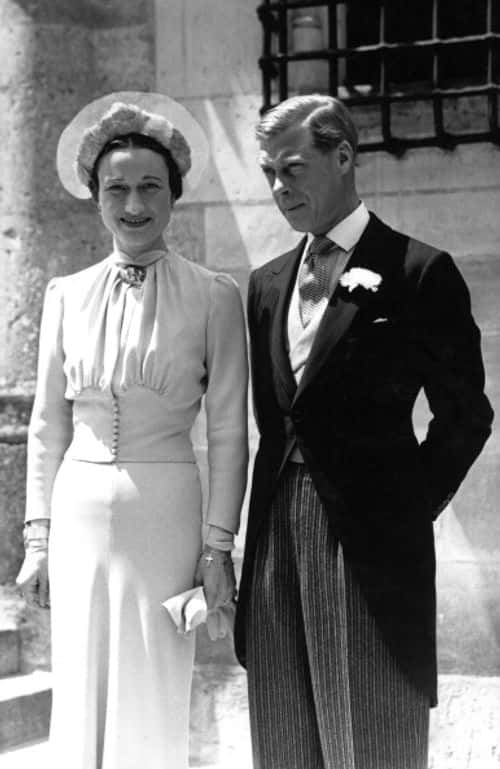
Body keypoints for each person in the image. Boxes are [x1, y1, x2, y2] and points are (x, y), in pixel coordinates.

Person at [234, 94, 494, 769]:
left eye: (293, 168)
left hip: (371, 541)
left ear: (343, 156)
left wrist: (405, 505)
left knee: (371, 737)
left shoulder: (417, 270)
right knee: (283, 736)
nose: (278, 187)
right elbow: (274, 416)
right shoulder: (265, 284)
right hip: (274, 532)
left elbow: (466, 414)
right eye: (268, 172)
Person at [15, 92, 248, 769]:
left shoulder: (213, 295)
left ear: (174, 195)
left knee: (152, 680)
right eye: (116, 189)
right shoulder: (65, 294)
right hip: (77, 510)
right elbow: (47, 424)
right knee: (80, 681)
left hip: (165, 511)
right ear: (96, 199)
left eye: (150, 187)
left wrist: (218, 545)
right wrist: (38, 539)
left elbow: (229, 431)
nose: (134, 204)